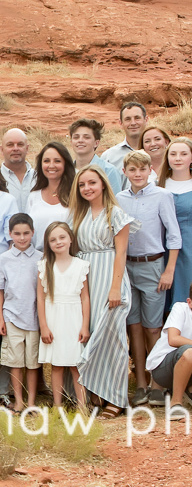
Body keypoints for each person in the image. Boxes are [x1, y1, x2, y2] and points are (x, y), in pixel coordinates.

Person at [71, 166, 135, 419]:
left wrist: (116, 287)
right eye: (82, 184)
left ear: (103, 184)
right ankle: (96, 393)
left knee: (115, 340)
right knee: (92, 336)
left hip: (110, 279)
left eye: (92, 183)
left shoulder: (115, 213)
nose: (87, 188)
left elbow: (121, 253)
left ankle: (117, 399)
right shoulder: (78, 214)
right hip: (87, 281)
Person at [117, 150, 181, 405]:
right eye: (133, 170)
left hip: (153, 265)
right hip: (127, 266)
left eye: (142, 169)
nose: (138, 174)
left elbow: (173, 235)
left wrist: (169, 269)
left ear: (150, 171)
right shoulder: (119, 198)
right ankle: (141, 383)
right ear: (125, 172)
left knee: (153, 327)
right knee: (133, 326)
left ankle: (158, 382)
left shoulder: (162, 196)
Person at [37, 221, 90, 410]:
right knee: (57, 365)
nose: (58, 242)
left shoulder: (81, 265)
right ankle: (57, 406)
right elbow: (41, 299)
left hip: (74, 318)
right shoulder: (44, 266)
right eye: (53, 239)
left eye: (62, 237)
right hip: (54, 319)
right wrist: (44, 326)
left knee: (76, 365)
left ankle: (82, 406)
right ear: (48, 244)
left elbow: (85, 298)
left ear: (70, 239)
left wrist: (85, 325)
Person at [0, 214, 41, 413]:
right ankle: (19, 400)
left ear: (32, 233)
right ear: (10, 234)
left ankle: (31, 402)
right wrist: (0, 317)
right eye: (17, 234)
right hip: (11, 316)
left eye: (26, 233)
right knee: (15, 362)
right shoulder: (4, 259)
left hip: (34, 317)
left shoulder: (41, 257)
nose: (22, 238)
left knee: (32, 364)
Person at [145, 285, 192, 419]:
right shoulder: (180, 308)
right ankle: (175, 403)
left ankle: (189, 390)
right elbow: (173, 339)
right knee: (189, 352)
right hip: (163, 369)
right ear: (189, 302)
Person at [158, 137, 192, 306]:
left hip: (189, 250)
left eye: (183, 154)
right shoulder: (157, 185)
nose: (178, 158)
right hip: (160, 248)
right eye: (173, 154)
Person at [26, 142, 74, 250]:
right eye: (46, 161)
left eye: (57, 161)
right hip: (38, 260)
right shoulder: (33, 197)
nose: (51, 165)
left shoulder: (75, 195)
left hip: (67, 259)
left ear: (65, 164)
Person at [69, 118, 122, 193]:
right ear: (71, 142)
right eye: (76, 137)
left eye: (86, 137)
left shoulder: (109, 171)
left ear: (96, 143)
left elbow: (115, 202)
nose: (80, 140)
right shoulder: (65, 172)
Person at [101, 101, 148, 170]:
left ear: (146, 120)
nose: (133, 123)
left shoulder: (158, 152)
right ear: (121, 123)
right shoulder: (108, 157)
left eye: (137, 118)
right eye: (128, 119)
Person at [0, 128, 35, 213]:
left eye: (20, 144)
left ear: (27, 148)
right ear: (1, 149)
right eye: (10, 145)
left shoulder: (39, 177)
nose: (15, 148)